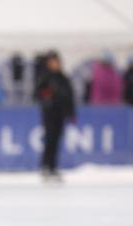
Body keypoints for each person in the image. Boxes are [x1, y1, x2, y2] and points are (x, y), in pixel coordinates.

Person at [34, 51, 76, 181]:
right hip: (49, 114)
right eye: (52, 62)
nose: (55, 64)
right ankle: (46, 166)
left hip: (60, 114)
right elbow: (38, 94)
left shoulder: (63, 78)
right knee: (50, 140)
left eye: (56, 61)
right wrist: (46, 98)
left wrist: (71, 112)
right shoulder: (45, 77)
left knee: (57, 141)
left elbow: (69, 96)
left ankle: (53, 166)